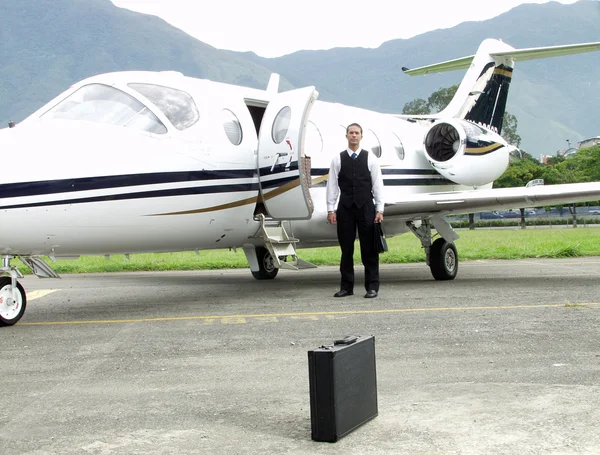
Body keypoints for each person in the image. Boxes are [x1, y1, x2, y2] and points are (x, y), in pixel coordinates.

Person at [326, 123, 384, 298]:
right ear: (346, 136)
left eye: (356, 133)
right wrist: (331, 209)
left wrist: (379, 209)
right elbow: (332, 185)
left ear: (361, 136)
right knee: (346, 249)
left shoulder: (370, 158)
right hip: (345, 208)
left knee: (369, 249)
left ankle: (372, 287)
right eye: (351, 133)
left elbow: (377, 184)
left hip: (366, 207)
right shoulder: (337, 159)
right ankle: (347, 287)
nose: (354, 136)